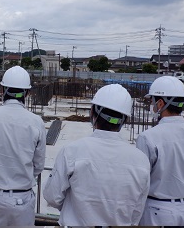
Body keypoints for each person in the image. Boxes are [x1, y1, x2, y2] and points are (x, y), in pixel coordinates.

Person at [44, 84, 150, 226]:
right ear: (125, 119)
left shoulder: (72, 151)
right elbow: (137, 211)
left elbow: (52, 197)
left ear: (93, 112)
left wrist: (77, 209)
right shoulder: (141, 160)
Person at [0, 66, 46, 226]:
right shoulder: (36, 122)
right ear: (27, 93)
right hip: (22, 198)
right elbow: (38, 165)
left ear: (2, 90)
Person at [136, 76, 184, 225]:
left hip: (157, 212)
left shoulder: (148, 137)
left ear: (160, 103)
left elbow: (141, 181)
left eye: (152, 102)